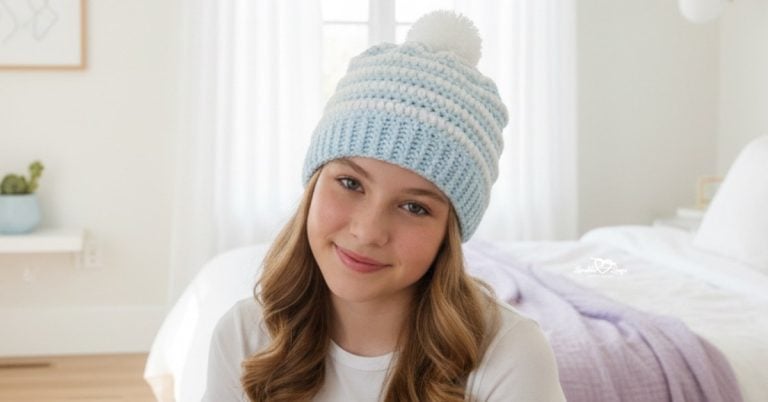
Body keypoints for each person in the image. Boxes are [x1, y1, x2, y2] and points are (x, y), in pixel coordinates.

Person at [203, 10, 566, 402]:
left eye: (413, 207)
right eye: (349, 183)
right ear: (313, 184)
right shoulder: (244, 335)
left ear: (450, 231)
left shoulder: (511, 355)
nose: (367, 231)